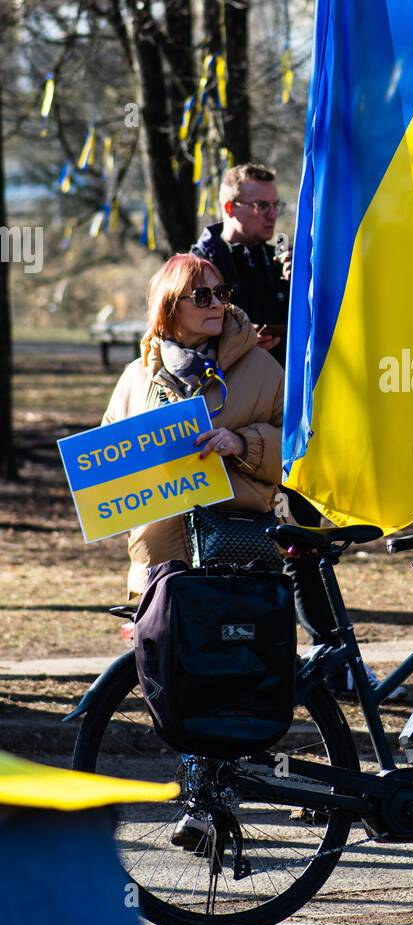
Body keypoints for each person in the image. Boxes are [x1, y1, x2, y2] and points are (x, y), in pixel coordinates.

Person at [102, 253, 285, 601]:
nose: (216, 303)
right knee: (164, 657)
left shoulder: (263, 369)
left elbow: (301, 454)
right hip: (158, 565)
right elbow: (109, 474)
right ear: (170, 307)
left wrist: (244, 445)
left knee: (239, 656)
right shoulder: (135, 378)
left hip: (238, 560)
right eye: (203, 296)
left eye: (222, 293)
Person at [191, 163, 291, 367]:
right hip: (226, 392)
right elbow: (184, 339)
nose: (272, 215)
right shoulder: (197, 266)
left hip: (281, 389)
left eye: (275, 205)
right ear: (230, 208)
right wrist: (237, 342)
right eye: (262, 205)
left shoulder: (280, 260)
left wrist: (301, 286)